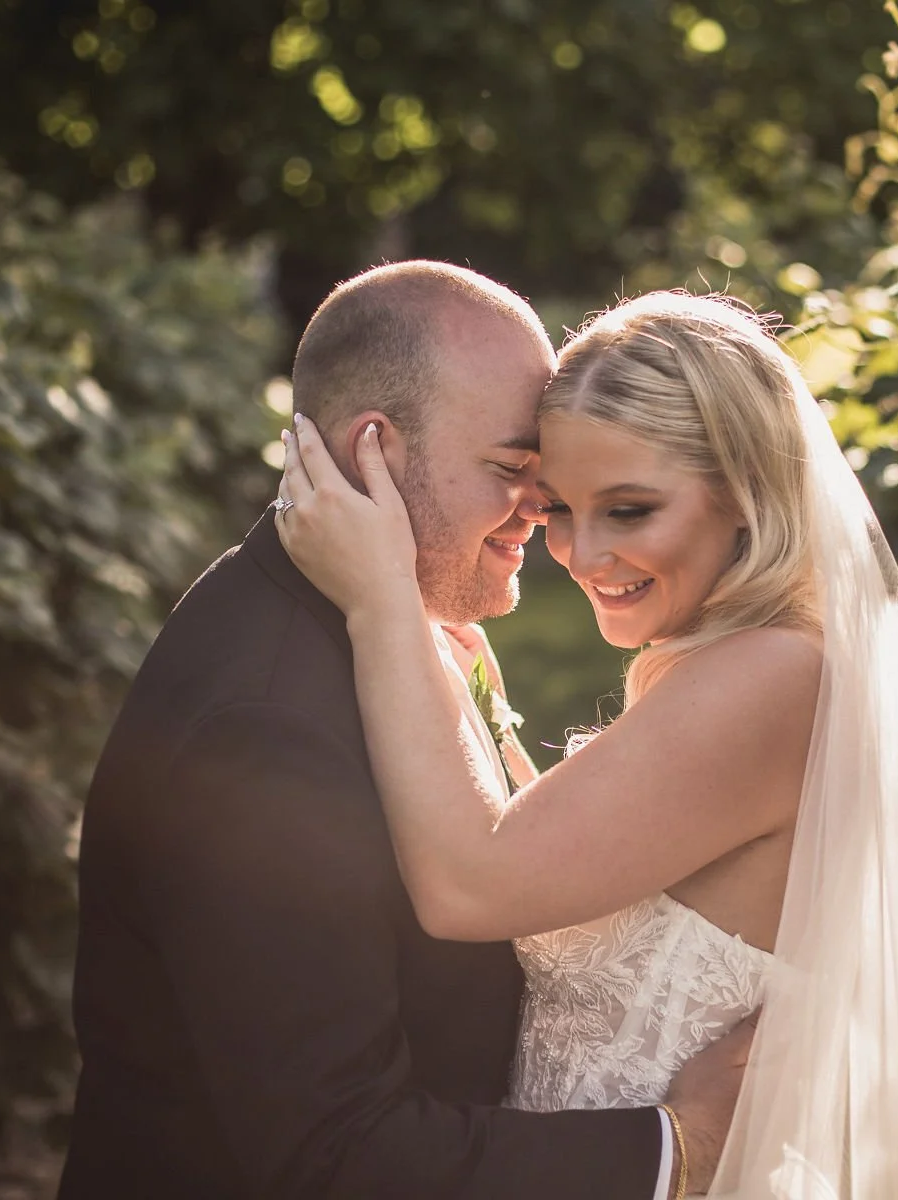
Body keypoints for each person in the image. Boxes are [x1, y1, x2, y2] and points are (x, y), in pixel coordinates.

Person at [274, 290, 898, 1197]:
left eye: (629, 510)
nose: (583, 555)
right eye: (558, 510)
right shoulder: (729, 666)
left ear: (744, 494)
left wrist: (383, 599)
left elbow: (469, 886)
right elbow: (580, 865)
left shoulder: (772, 678)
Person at [59, 263, 749, 1200]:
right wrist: (680, 1149)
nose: (544, 509)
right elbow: (334, 1155)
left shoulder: (385, 628)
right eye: (511, 469)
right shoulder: (266, 728)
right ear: (374, 451)